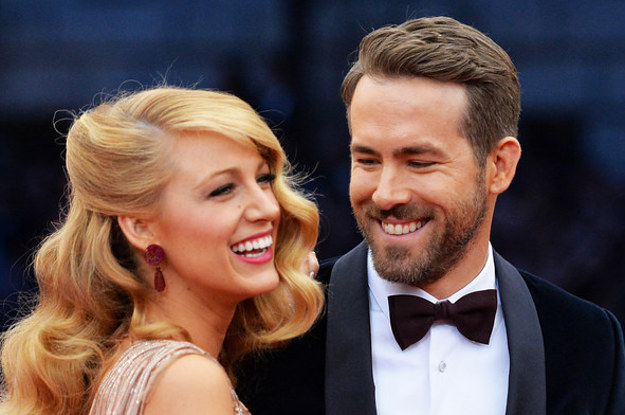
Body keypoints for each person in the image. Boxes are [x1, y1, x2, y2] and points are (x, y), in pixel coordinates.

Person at [236, 16, 625, 415]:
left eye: (419, 163)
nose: (386, 194)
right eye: (367, 160)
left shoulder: (588, 343)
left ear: (499, 166)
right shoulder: (274, 330)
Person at [0, 86, 324, 415]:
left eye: (264, 179)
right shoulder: (186, 380)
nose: (267, 208)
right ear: (141, 228)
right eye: (223, 189)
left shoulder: (132, 363)